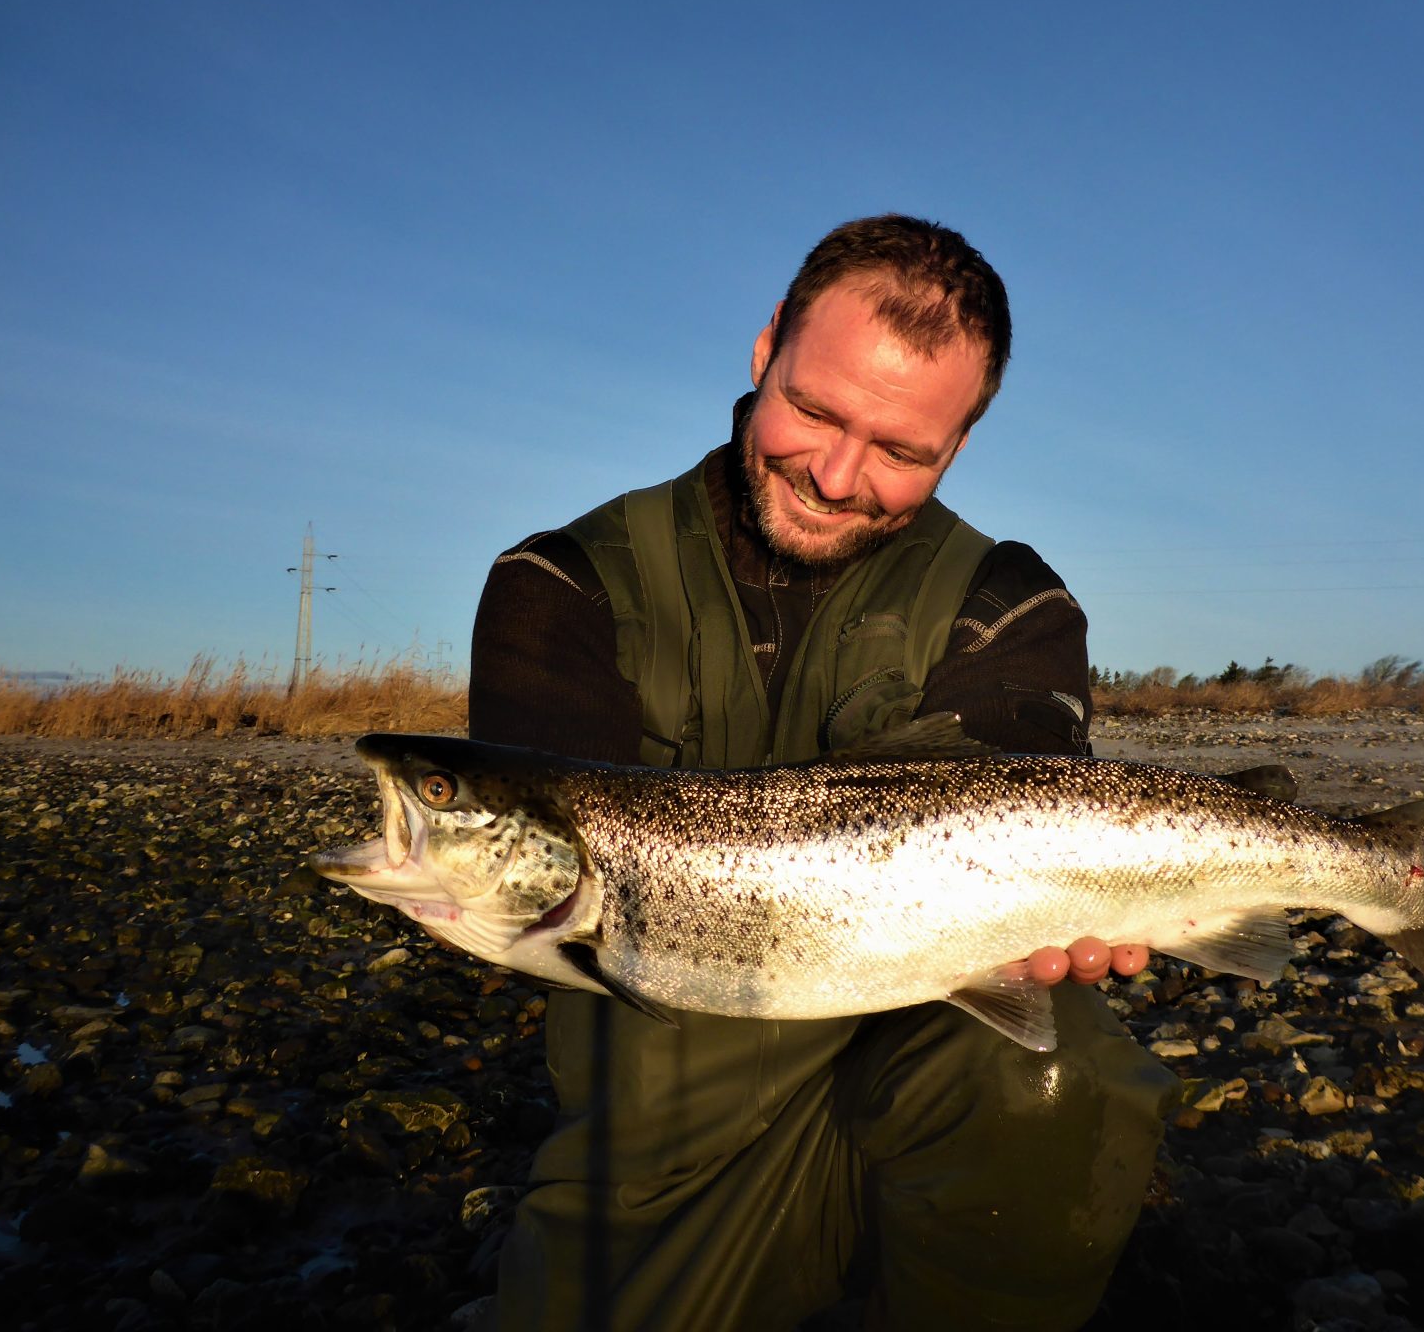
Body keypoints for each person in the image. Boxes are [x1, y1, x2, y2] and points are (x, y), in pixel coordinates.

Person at [469, 215, 1178, 1332]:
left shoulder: (1013, 602)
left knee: (1056, 1074)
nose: (836, 477)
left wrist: (1082, 910)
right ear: (765, 352)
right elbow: (538, 890)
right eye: (813, 411)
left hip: (929, 1063)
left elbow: (1029, 816)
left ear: (957, 448)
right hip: (670, 1140)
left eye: (901, 453)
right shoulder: (561, 585)